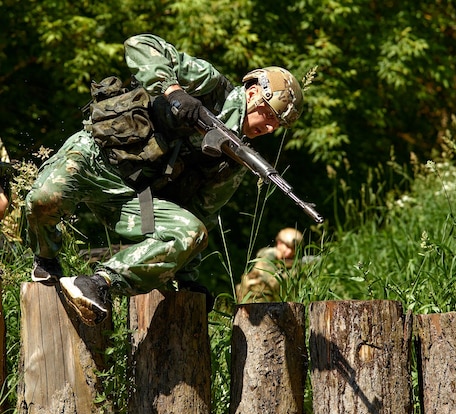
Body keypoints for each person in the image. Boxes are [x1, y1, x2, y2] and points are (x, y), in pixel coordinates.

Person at [26, 34, 304, 326]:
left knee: (189, 232)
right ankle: (45, 259)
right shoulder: (209, 84)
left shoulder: (232, 159)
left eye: (278, 125)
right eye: (270, 115)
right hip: (95, 156)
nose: (270, 128)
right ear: (252, 95)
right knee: (45, 199)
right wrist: (174, 91)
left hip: (135, 197)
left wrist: (188, 278)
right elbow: (139, 44)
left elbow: (201, 216)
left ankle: (99, 283)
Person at [236, 227, 303, 303]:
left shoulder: (296, 263)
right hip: (256, 302)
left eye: (293, 248)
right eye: (287, 247)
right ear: (279, 243)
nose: (290, 251)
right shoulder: (267, 257)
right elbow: (270, 281)